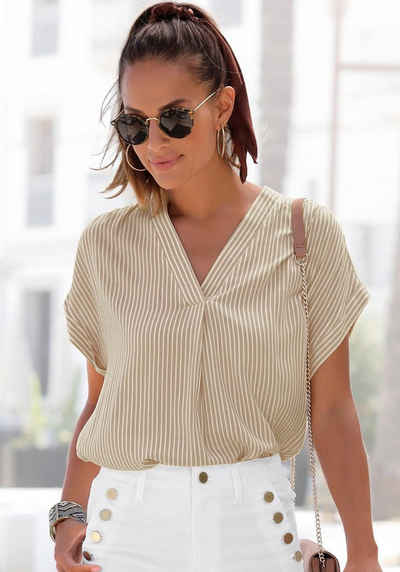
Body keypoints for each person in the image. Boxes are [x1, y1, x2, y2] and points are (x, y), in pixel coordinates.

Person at [50, 2, 381, 571]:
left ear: (222, 105)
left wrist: (365, 553)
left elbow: (332, 410)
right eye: (135, 124)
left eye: (175, 118)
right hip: (124, 537)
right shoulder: (107, 245)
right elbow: (104, 402)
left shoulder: (302, 235)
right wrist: (67, 514)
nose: (155, 142)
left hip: (255, 537)